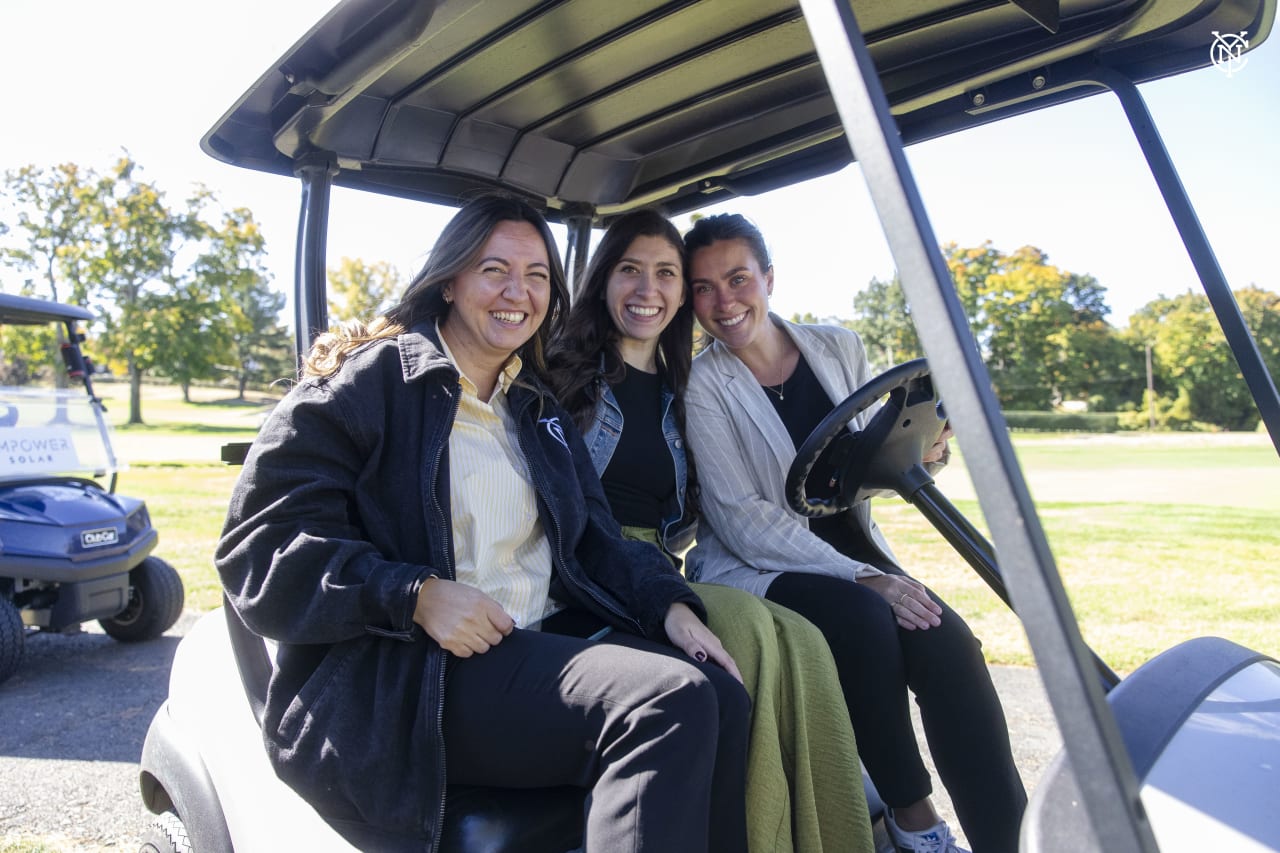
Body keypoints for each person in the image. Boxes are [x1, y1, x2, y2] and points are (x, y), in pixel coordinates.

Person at [214, 195, 752, 853]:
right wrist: (415, 595)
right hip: (415, 673)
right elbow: (259, 548)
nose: (516, 292)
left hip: (525, 640)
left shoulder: (532, 401)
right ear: (450, 279)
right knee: (663, 701)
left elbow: (593, 536)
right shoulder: (369, 385)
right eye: (493, 269)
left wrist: (671, 605)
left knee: (721, 692)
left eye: (535, 276)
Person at [681, 213, 1028, 853]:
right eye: (704, 288)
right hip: (760, 565)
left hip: (856, 553)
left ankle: (1008, 838)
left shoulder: (836, 346)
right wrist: (862, 577)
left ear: (768, 278)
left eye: (737, 279)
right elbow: (740, 518)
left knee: (951, 647)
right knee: (865, 621)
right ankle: (913, 821)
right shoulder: (705, 385)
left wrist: (928, 451)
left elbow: (873, 455)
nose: (724, 302)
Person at [547, 209, 874, 853]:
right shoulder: (561, 372)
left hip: (661, 565)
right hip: (587, 568)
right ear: (602, 281)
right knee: (748, 629)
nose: (649, 290)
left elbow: (723, 499)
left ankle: (841, 829)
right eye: (631, 271)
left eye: (666, 274)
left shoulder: (687, 386)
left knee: (802, 640)